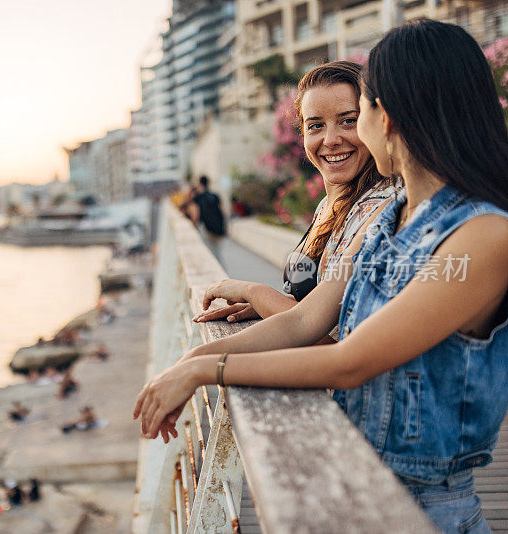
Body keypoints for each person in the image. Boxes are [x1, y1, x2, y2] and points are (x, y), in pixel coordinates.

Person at [134, 20, 508, 534]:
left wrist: (205, 372)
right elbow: (305, 319)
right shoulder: (396, 213)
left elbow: (348, 361)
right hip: (352, 478)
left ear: (388, 116)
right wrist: (191, 358)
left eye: (361, 109)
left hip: (422, 511)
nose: (340, 135)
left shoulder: (484, 235)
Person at [194, 61, 394, 328]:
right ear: (302, 133)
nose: (331, 139)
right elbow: (309, 310)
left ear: (372, 123)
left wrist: (254, 292)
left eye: (348, 121)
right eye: (316, 126)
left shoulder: (381, 209)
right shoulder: (326, 205)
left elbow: (332, 337)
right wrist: (269, 306)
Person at [191, 176, 226, 260]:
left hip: (206, 228)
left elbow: (196, 214)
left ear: (199, 183)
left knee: (210, 253)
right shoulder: (215, 196)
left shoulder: (198, 197)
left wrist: (193, 226)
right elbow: (223, 212)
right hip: (218, 228)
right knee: (217, 252)